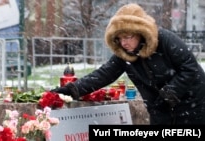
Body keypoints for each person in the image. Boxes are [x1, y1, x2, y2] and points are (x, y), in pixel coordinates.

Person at [51, 3, 205, 125]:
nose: (124, 43)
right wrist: (70, 90)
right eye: (119, 38)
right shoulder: (124, 55)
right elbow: (103, 75)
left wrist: (169, 94)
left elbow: (190, 69)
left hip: (193, 104)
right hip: (159, 110)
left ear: (141, 33)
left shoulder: (165, 40)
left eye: (128, 37)